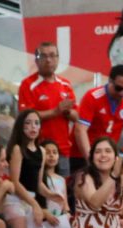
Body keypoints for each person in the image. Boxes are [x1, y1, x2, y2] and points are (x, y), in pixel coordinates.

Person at [18, 42, 78, 176]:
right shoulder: (28, 84)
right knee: (37, 191)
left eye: (52, 55)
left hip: (62, 151)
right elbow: (24, 116)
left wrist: (67, 112)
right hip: (36, 149)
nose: (48, 60)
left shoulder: (65, 84)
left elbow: (77, 116)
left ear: (57, 59)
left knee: (62, 192)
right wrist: (55, 112)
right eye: (43, 56)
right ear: (36, 60)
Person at [5, 110, 51, 228]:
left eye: (36, 123)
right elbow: (16, 182)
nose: (33, 127)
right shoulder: (18, 149)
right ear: (21, 126)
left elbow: (38, 184)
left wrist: (53, 195)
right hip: (17, 200)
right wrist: (35, 205)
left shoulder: (42, 151)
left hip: (30, 200)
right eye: (28, 123)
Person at [75, 64, 123, 158]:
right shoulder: (92, 97)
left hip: (107, 157)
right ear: (110, 81)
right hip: (81, 155)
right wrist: (90, 158)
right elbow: (80, 130)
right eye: (118, 88)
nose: (122, 93)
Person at [41, 140, 72, 228]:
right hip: (43, 221)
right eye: (47, 152)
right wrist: (45, 213)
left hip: (60, 222)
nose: (51, 156)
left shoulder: (61, 180)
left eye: (54, 152)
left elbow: (65, 205)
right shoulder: (39, 178)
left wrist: (67, 215)